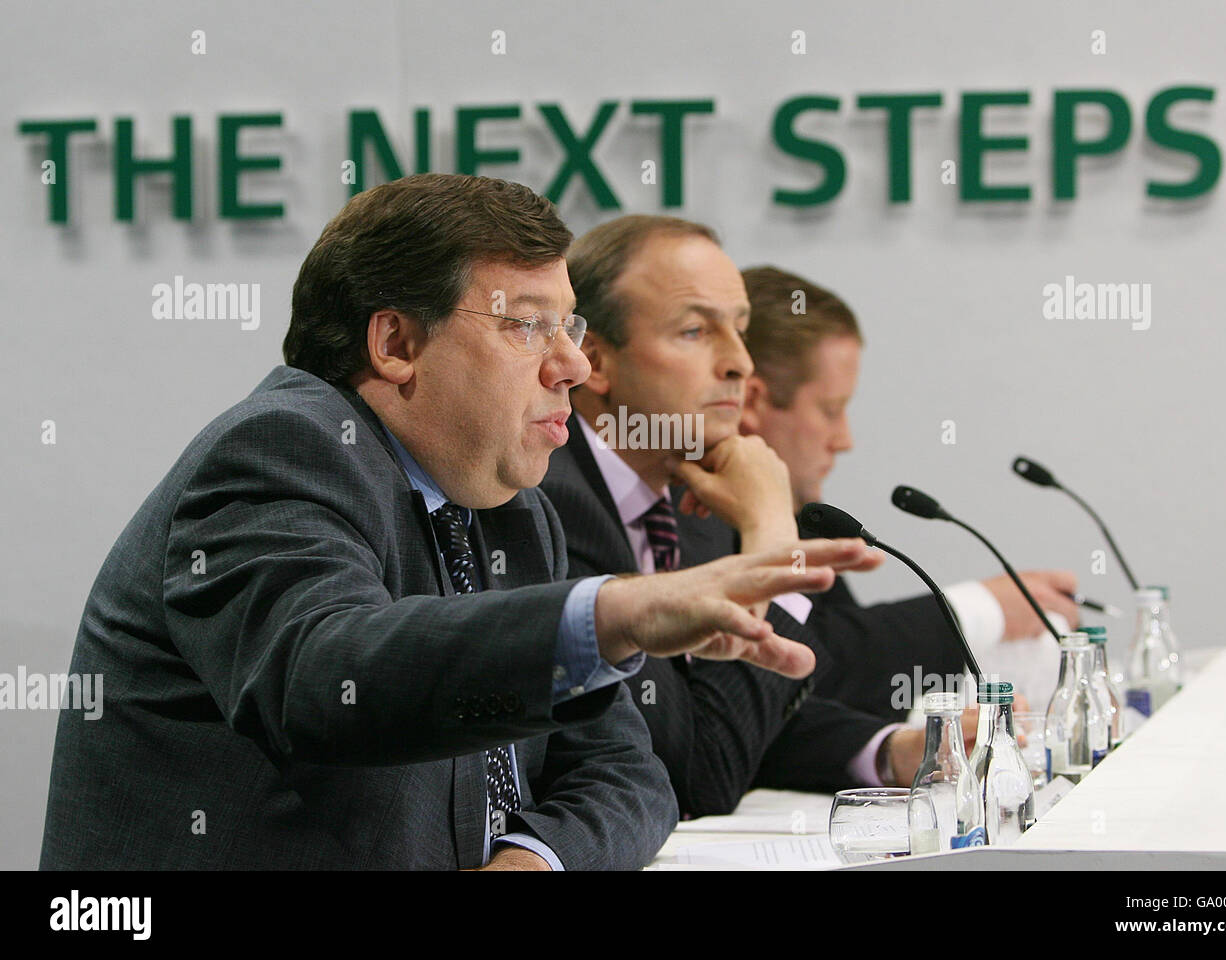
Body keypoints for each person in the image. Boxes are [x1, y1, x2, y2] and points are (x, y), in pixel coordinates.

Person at [39, 175, 872, 870]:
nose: (573, 366)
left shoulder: (514, 513)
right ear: (397, 341)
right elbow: (326, 677)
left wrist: (535, 860)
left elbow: (630, 774)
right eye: (527, 326)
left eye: (570, 325)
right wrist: (618, 612)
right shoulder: (280, 451)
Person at [543, 215, 930, 817]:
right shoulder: (550, 509)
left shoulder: (695, 502)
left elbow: (733, 718)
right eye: (696, 330)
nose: (741, 365)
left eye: (741, 330)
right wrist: (773, 532)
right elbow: (692, 773)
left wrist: (893, 751)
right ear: (594, 359)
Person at [738, 266, 1080, 716]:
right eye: (830, 410)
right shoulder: (693, 518)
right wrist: (981, 609)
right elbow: (812, 664)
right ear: (754, 402)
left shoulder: (801, 518)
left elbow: (829, 689)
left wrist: (909, 741)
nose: (844, 440)